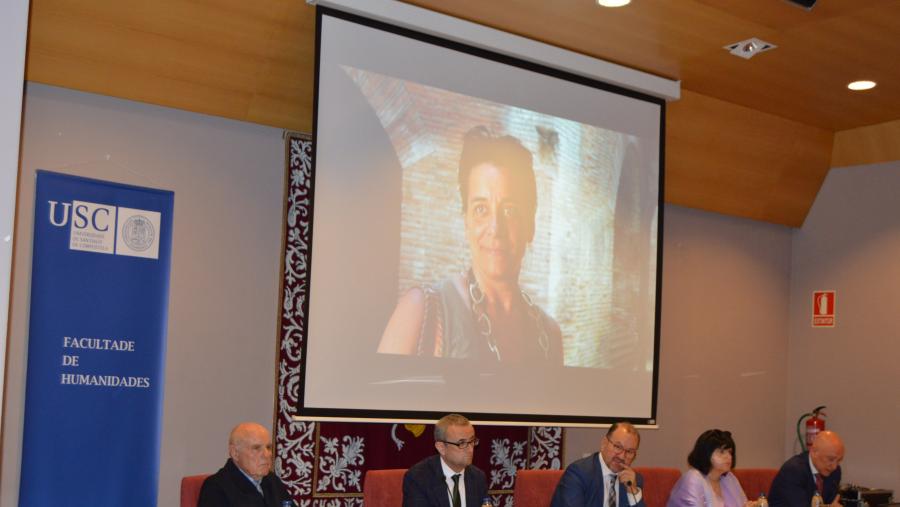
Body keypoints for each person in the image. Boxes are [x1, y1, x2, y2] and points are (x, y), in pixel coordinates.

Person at [378, 125, 563, 363]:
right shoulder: (419, 311)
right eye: (481, 209)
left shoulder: (549, 335)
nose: (496, 229)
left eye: (510, 210)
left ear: (531, 225)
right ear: (466, 222)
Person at [198, 422, 294, 507]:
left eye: (268, 447)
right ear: (235, 453)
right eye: (256, 448)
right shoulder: (216, 488)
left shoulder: (272, 481)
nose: (267, 454)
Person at [551, 422, 645, 507]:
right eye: (618, 447)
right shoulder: (578, 474)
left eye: (629, 451)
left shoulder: (633, 480)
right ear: (604, 443)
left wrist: (633, 491)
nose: (622, 456)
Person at [402, 413, 488, 507]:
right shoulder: (419, 478)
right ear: (441, 447)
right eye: (461, 443)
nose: (470, 449)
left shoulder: (478, 477)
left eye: (472, 441)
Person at [667, 429, 756, 507]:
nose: (728, 456)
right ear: (706, 453)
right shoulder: (693, 479)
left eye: (729, 452)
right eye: (721, 452)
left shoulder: (729, 479)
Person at [768, 431, 844, 507]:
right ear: (814, 452)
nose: (834, 466)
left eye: (839, 460)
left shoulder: (835, 472)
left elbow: (832, 502)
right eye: (830, 459)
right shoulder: (793, 471)